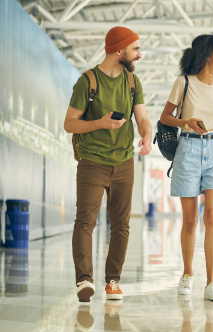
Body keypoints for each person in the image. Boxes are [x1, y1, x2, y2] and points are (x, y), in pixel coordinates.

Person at [65, 26, 152, 302]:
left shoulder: (132, 82)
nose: (139, 54)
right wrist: (100, 123)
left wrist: (147, 137)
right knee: (85, 221)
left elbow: (143, 119)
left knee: (121, 225)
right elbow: (69, 123)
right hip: (92, 161)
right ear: (119, 50)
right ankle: (84, 280)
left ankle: (113, 280)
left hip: (125, 161)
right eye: (135, 48)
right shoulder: (87, 82)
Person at [159, 31, 213, 301]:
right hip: (189, 148)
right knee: (190, 219)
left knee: (212, 216)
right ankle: (187, 274)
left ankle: (212, 282)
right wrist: (186, 122)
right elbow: (166, 117)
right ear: (207, 55)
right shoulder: (184, 83)